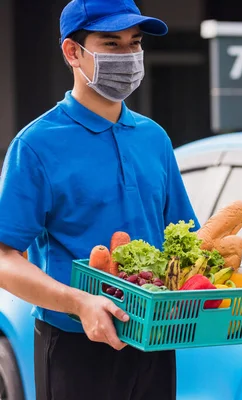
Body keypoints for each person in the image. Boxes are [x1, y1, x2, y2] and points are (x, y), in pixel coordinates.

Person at [0, 0, 198, 399]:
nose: (128, 57)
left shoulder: (154, 139)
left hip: (154, 340)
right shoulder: (36, 145)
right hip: (76, 345)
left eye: (135, 44)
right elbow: (4, 259)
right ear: (73, 52)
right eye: (112, 44)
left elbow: (186, 241)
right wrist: (80, 303)